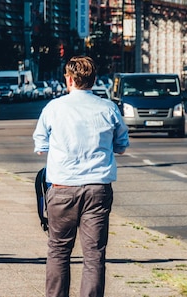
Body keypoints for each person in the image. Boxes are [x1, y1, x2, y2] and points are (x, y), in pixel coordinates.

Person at [32, 56, 129, 297]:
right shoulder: (108, 108)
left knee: (58, 250)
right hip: (97, 189)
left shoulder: (54, 108)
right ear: (94, 80)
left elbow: (40, 145)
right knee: (94, 254)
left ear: (69, 79)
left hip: (62, 188)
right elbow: (122, 145)